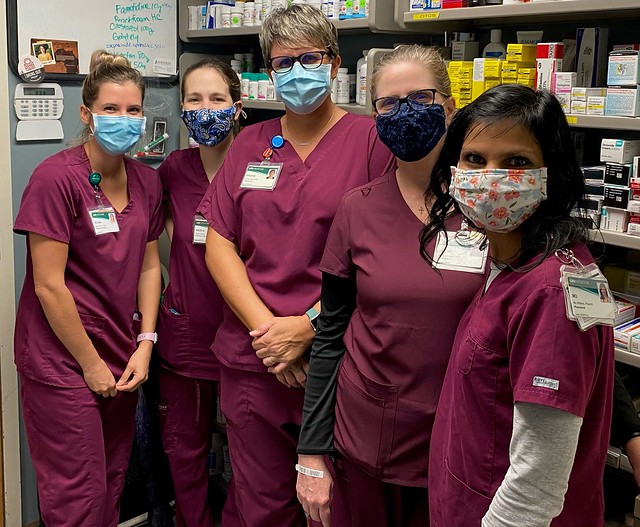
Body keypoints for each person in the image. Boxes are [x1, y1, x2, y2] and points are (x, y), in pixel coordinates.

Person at [197, 5, 394, 526]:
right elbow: (219, 242)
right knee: (263, 506)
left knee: (337, 507)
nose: (297, 72)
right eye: (283, 63)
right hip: (254, 359)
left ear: (334, 64)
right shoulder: (249, 145)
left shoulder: (374, 142)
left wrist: (306, 328)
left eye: (309, 58)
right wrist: (270, 334)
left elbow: (385, 255)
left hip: (337, 357)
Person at [295, 44, 486, 527]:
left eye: (420, 97)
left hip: (466, 436)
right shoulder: (358, 208)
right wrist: (311, 453)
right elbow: (331, 332)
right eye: (388, 103)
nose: (404, 112)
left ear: (449, 105)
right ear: (374, 112)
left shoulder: (490, 206)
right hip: (371, 438)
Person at [421, 84, 614, 526]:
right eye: (475, 160)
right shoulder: (511, 260)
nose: (491, 178)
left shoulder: (548, 292)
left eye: (516, 163)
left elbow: (536, 487)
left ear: (553, 174)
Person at [13, 51, 163, 527]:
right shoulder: (56, 179)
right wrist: (91, 364)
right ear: (86, 114)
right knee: (77, 494)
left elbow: (148, 264)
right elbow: (49, 287)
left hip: (121, 355)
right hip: (63, 361)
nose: (124, 119)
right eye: (111, 110)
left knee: (111, 481)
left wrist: (146, 343)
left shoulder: (147, 182)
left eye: (133, 110)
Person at [156, 57, 243, 527]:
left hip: (248, 337)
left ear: (238, 105)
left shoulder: (260, 167)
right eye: (194, 99)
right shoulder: (174, 169)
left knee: (253, 456)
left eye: (217, 99)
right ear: (183, 108)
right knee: (184, 450)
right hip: (188, 337)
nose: (205, 109)